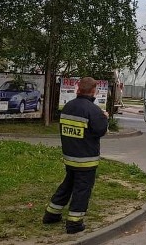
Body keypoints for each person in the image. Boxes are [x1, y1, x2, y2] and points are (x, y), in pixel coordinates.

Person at [43, 77, 109, 234]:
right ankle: (74, 223)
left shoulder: (68, 107)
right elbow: (100, 131)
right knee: (82, 190)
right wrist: (104, 118)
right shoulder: (93, 110)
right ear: (94, 91)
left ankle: (51, 214)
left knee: (68, 185)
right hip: (86, 160)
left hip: (70, 156)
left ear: (78, 89)